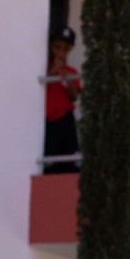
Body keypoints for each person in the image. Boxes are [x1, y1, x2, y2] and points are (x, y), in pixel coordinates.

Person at [43, 26, 81, 174]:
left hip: (66, 120)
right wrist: (52, 72)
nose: (60, 52)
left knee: (70, 161)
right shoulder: (43, 67)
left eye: (65, 49)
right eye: (57, 47)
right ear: (51, 46)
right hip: (49, 120)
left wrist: (69, 81)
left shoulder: (72, 72)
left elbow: (74, 97)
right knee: (50, 163)